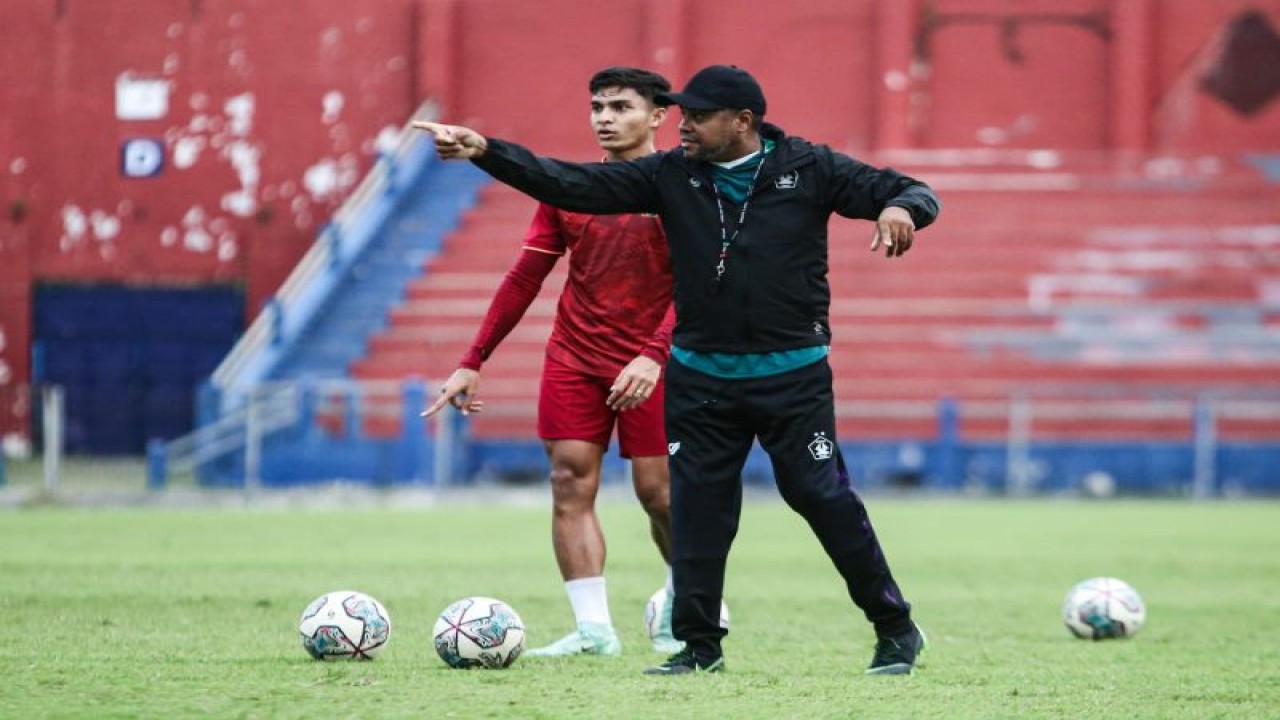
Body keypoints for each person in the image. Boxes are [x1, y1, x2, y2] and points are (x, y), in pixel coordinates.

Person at [415, 64, 940, 677]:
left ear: (742, 122)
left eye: (695, 116)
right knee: (698, 507)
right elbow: (571, 185)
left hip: (792, 377)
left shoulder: (810, 168)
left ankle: (895, 628)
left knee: (821, 497)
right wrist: (486, 150)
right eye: (680, 114)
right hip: (700, 378)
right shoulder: (669, 175)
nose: (682, 125)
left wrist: (903, 209)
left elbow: (913, 190)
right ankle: (698, 646)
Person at [421, 66, 683, 658]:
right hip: (576, 354)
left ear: (659, 116)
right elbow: (524, 278)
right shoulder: (570, 190)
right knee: (568, 480)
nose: (605, 119)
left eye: (621, 107)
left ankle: (689, 598)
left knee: (661, 494)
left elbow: (700, 287)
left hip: (657, 360)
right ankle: (594, 631)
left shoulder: (683, 191)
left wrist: (653, 354)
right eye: (597, 107)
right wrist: (473, 359)